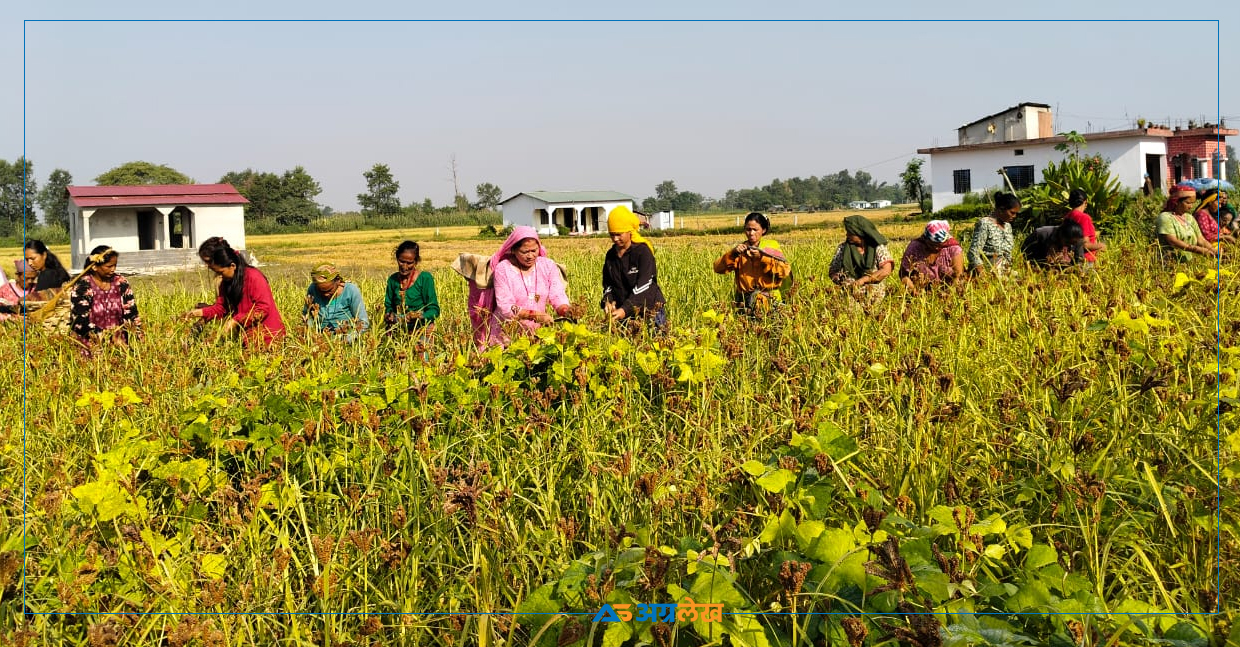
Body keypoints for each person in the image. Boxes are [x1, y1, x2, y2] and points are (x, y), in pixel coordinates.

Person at [186, 239, 285, 346]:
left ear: (232, 266)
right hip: (249, 338)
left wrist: (236, 320)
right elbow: (222, 308)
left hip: (269, 337)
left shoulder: (254, 277)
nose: (219, 276)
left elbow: (263, 308)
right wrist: (201, 312)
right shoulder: (226, 281)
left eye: (221, 272)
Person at [489, 226, 573, 345]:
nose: (530, 256)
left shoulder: (547, 266)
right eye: (524, 252)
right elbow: (506, 306)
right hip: (507, 335)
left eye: (534, 251)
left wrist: (565, 310)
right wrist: (535, 315)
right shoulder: (503, 269)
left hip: (536, 334)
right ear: (513, 250)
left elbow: (557, 294)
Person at [602, 204, 667, 330]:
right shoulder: (611, 255)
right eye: (612, 234)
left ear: (629, 232)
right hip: (624, 312)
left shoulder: (643, 252)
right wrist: (608, 301)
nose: (615, 239)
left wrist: (624, 309)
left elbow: (644, 285)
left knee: (656, 340)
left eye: (619, 234)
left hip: (649, 310)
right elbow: (608, 284)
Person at [714, 212, 792, 314]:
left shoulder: (771, 247)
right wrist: (733, 253)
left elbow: (784, 271)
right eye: (748, 229)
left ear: (763, 230)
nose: (751, 233)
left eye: (755, 230)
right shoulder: (740, 251)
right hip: (745, 301)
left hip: (770, 300)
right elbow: (718, 268)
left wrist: (762, 258)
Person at [69, 246, 142, 353]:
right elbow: (79, 321)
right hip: (90, 347)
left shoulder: (121, 282)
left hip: (120, 346)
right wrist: (106, 336)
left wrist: (139, 339)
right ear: (94, 267)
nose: (113, 269)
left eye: (115, 265)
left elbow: (132, 314)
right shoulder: (83, 285)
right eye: (109, 266)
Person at [827, 214, 892, 304]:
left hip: (874, 296)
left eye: (850, 233)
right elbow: (833, 270)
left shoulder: (877, 247)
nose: (847, 235)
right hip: (850, 296)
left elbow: (886, 270)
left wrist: (863, 280)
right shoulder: (843, 248)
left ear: (859, 233)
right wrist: (841, 281)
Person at [384, 240, 439, 335]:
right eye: (401, 261)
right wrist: (390, 315)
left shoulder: (425, 279)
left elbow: (434, 310)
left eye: (409, 263)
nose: (404, 266)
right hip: (398, 327)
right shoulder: (392, 280)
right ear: (397, 259)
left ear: (415, 262)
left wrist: (417, 316)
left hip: (421, 327)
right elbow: (389, 306)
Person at [303, 263, 369, 340]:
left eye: (329, 290)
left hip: (347, 339)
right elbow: (307, 315)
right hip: (321, 339)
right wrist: (310, 335)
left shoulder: (351, 291)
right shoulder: (313, 289)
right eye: (321, 291)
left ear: (338, 281)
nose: (326, 294)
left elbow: (363, 323)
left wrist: (346, 340)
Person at [1155, 184, 1219, 262]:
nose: (1191, 206)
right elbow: (1173, 241)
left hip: (1187, 263)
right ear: (1176, 201)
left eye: (1193, 203)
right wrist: (1198, 250)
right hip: (1170, 262)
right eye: (1188, 203)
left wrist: (1215, 251)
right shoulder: (1165, 217)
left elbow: (1201, 240)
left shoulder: (1189, 218)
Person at [899, 220, 965, 292]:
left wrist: (949, 292)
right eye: (932, 244)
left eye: (939, 245)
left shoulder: (953, 249)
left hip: (948, 291)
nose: (936, 248)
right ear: (925, 239)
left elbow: (959, 276)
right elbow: (903, 274)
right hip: (920, 290)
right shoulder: (915, 247)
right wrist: (912, 289)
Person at [966, 192, 1020, 275]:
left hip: (1003, 271)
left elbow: (1008, 254)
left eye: (1016, 213)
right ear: (1001, 209)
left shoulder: (1008, 226)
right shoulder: (985, 223)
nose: (1015, 216)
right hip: (986, 271)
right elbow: (973, 253)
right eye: (1012, 213)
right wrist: (983, 275)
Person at [1062, 189, 1108, 266]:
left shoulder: (1067, 217)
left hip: (1071, 259)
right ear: (1085, 202)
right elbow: (1085, 245)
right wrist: (1101, 246)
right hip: (1085, 260)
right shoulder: (1084, 218)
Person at [1022, 221, 1088, 268]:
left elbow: (1079, 261)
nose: (1069, 245)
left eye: (1073, 243)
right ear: (1061, 235)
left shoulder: (1077, 241)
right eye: (1068, 242)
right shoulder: (1041, 234)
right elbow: (1025, 252)